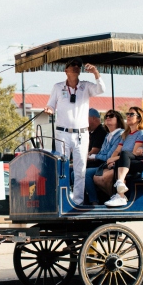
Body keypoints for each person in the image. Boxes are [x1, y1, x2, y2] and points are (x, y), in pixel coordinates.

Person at [43, 58, 104, 205]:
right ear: (66, 70)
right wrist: (49, 109)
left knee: (80, 168)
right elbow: (51, 104)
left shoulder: (85, 86)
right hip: (62, 133)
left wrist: (95, 72)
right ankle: (61, 199)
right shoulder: (58, 87)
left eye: (78, 66)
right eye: (73, 65)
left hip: (81, 133)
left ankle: (77, 201)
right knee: (62, 166)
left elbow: (101, 89)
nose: (76, 67)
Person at [90, 106, 143, 203]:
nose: (128, 116)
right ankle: (115, 196)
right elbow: (117, 150)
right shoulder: (126, 134)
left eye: (131, 114)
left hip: (132, 162)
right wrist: (111, 160)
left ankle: (120, 197)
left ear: (139, 118)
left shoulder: (141, 133)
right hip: (120, 161)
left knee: (106, 177)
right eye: (127, 114)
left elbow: (134, 153)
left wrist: (114, 159)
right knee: (97, 178)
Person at [83, 110, 126, 204]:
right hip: (103, 164)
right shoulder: (108, 135)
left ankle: (94, 202)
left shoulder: (120, 134)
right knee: (76, 173)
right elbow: (103, 152)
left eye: (111, 116)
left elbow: (108, 156)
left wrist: (94, 156)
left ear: (118, 120)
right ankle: (86, 200)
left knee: (85, 173)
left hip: (113, 164)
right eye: (106, 116)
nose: (107, 118)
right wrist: (98, 156)